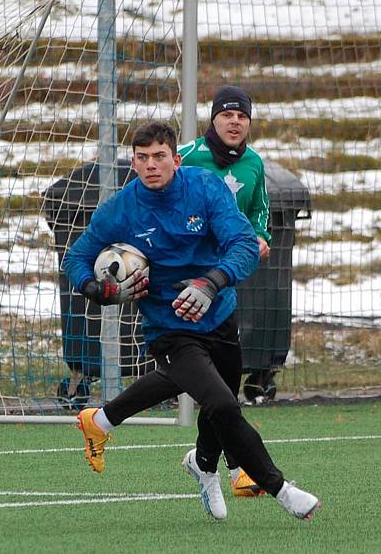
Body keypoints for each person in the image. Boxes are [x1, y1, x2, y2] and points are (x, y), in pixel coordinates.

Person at [63, 121, 319, 521]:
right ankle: (281, 490)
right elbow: (75, 258)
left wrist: (212, 282)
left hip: (219, 314)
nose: (151, 165)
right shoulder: (121, 208)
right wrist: (95, 289)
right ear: (133, 163)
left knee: (220, 406)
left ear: (176, 160)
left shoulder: (204, 188)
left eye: (160, 156)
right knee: (220, 403)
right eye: (143, 157)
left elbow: (243, 244)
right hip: (169, 327)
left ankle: (200, 464)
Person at [178, 85, 269, 497]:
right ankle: (238, 465)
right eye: (227, 114)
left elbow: (258, 217)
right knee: (202, 380)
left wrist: (261, 238)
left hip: (224, 286)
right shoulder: (185, 156)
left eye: (242, 116)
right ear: (212, 119)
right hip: (183, 283)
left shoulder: (254, 165)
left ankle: (204, 462)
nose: (235, 121)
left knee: (224, 385)